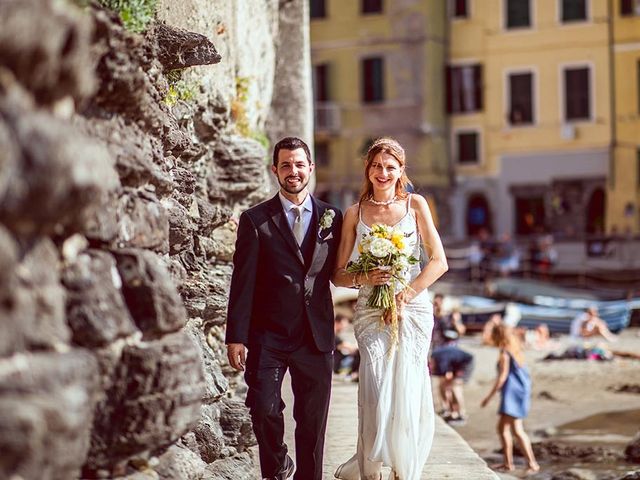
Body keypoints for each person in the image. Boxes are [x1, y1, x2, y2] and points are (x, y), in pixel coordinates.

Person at [225, 137, 343, 480]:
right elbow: (242, 283)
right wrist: (237, 337)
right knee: (263, 410)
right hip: (268, 337)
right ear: (275, 170)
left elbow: (341, 272)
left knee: (312, 426)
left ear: (311, 169)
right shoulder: (254, 220)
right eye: (286, 165)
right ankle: (277, 466)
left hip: (315, 337)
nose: (293, 172)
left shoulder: (332, 218)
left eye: (299, 164)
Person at [331, 137, 448, 480]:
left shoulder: (416, 205)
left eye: (390, 167)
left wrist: (405, 295)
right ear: (367, 169)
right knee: (375, 384)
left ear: (401, 172)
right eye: (377, 166)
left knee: (408, 387)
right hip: (370, 310)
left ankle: (403, 467)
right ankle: (372, 469)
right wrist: (366, 274)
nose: (383, 173)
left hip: (412, 310)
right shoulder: (355, 213)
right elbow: (338, 275)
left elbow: (439, 262)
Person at [480, 324, 540, 475]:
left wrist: (488, 397)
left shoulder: (505, 353)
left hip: (511, 394)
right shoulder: (516, 348)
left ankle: (524, 463)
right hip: (520, 392)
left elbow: (502, 377)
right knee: (510, 429)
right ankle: (516, 463)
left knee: (512, 429)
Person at [430, 330, 474, 425]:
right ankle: (451, 410)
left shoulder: (439, 356)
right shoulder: (440, 353)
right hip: (457, 365)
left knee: (455, 389)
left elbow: (446, 374)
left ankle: (461, 413)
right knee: (444, 387)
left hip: (465, 365)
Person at [334, 312, 360, 380]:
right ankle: (355, 374)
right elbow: (349, 347)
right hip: (338, 365)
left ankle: (355, 374)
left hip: (338, 362)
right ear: (337, 322)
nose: (345, 326)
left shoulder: (335, 336)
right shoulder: (334, 337)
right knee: (358, 353)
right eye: (344, 323)